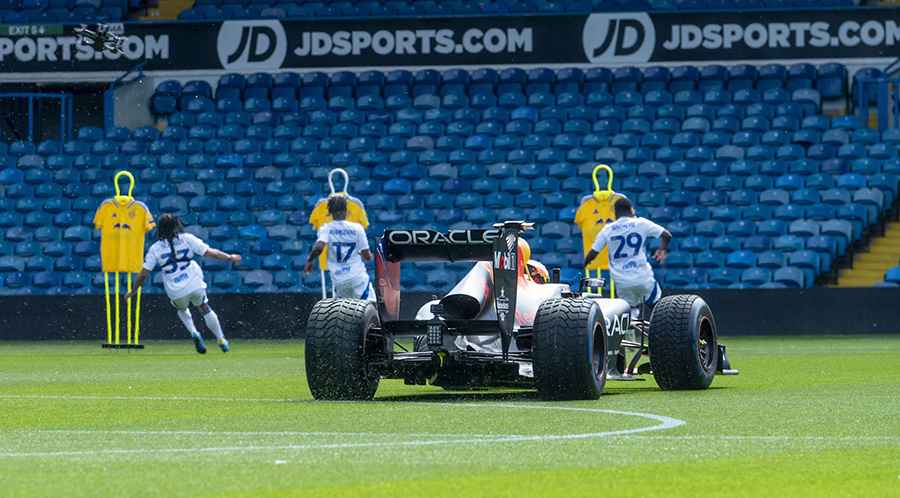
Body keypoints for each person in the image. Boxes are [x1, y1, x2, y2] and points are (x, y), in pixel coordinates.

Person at [125, 214, 241, 354]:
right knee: (204, 307)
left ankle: (194, 333)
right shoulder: (188, 239)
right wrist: (230, 257)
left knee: (181, 309)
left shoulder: (155, 248)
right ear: (176, 225)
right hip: (194, 283)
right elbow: (212, 253)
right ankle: (221, 339)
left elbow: (144, 273)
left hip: (175, 289)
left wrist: (134, 289)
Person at [583, 197, 671, 310]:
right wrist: (662, 250)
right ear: (631, 210)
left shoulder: (607, 229)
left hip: (622, 282)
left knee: (630, 313)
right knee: (658, 308)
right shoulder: (641, 223)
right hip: (643, 278)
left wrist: (585, 264)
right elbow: (667, 235)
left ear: (615, 213)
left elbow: (593, 254)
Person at [304, 195, 374, 301]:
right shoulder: (357, 228)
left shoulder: (326, 228)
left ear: (330, 213)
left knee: (346, 312)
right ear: (346, 211)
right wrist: (367, 255)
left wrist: (309, 261)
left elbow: (319, 247)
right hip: (358, 278)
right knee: (372, 308)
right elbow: (367, 256)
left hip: (339, 281)